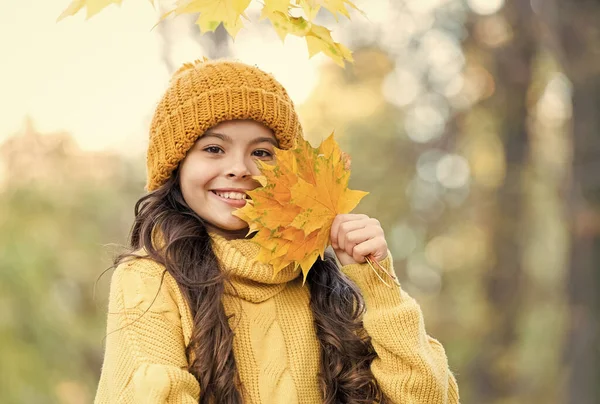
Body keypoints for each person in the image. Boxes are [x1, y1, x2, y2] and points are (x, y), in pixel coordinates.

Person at [94, 58, 460, 404]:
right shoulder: (150, 279)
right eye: (214, 148)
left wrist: (377, 283)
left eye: (263, 153)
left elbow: (426, 396)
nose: (239, 168)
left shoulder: (325, 284)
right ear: (175, 166)